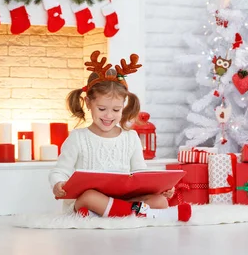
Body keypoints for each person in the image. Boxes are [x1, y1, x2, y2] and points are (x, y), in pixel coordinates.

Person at [49, 51, 191, 222]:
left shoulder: (130, 138)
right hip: (89, 202)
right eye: (102, 109)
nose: (109, 115)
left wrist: (159, 190)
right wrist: (58, 184)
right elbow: (60, 170)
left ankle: (119, 212)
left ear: (123, 106)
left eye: (116, 110)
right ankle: (150, 215)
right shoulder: (78, 138)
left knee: (159, 201)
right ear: (88, 104)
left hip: (122, 201)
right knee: (90, 196)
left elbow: (140, 175)